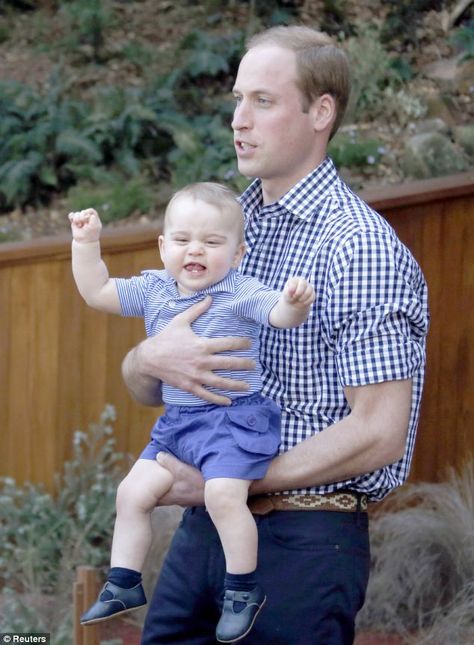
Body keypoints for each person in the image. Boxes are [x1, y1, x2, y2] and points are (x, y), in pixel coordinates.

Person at [121, 25, 430, 645]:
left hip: (305, 545)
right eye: (237, 100)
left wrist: (232, 481)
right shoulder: (222, 229)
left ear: (321, 112)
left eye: (262, 101)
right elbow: (147, 385)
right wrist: (148, 356)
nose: (239, 120)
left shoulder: (358, 247)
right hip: (205, 532)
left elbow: (379, 433)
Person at [68, 181, 315, 642]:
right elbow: (96, 292)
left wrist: (293, 303)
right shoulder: (155, 289)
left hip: (231, 421)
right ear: (163, 247)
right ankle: (124, 582)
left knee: (223, 496)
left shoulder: (241, 291)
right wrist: (86, 243)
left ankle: (242, 591)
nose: (194, 250)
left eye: (212, 242)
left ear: (238, 253)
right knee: (131, 493)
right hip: (177, 427)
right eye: (182, 240)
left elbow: (278, 315)